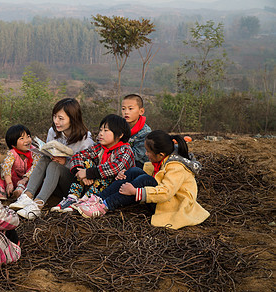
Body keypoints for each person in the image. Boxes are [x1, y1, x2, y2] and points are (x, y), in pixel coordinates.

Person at [75, 130, 210, 230]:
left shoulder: (176, 167)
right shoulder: (163, 160)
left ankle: (104, 205)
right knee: (134, 171)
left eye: (148, 152)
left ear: (160, 155)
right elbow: (147, 174)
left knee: (144, 179)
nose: (146, 154)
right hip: (162, 197)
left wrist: (135, 192)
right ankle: (96, 198)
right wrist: (125, 174)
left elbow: (166, 192)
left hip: (173, 204)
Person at [9, 98, 94, 220]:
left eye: (61, 118)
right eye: (55, 117)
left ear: (73, 118)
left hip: (74, 186)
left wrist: (66, 162)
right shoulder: (53, 131)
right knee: (45, 158)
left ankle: (38, 204)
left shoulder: (85, 140)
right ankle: (27, 196)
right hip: (53, 182)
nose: (56, 122)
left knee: (55, 165)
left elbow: (87, 169)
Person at [55, 114, 135, 212]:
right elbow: (78, 156)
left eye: (106, 131)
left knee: (107, 174)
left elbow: (115, 168)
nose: (101, 133)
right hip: (93, 183)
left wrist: (88, 173)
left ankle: (87, 201)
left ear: (120, 134)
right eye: (101, 130)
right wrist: (81, 173)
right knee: (86, 161)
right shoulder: (99, 147)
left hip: (113, 189)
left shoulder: (125, 149)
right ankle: (72, 197)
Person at [0, 124, 41, 200]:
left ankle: (21, 191)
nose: (27, 140)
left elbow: (36, 166)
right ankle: (1, 189)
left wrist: (25, 179)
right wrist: (9, 183)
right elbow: (7, 166)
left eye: (28, 136)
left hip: (28, 179)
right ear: (13, 145)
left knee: (37, 173)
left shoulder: (34, 151)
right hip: (14, 179)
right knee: (2, 170)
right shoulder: (12, 153)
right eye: (22, 138)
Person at [121, 94, 151, 169]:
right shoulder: (119, 127)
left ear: (141, 111)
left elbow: (136, 155)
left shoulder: (145, 132)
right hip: (120, 160)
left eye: (130, 109)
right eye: (123, 109)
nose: (126, 112)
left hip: (139, 165)